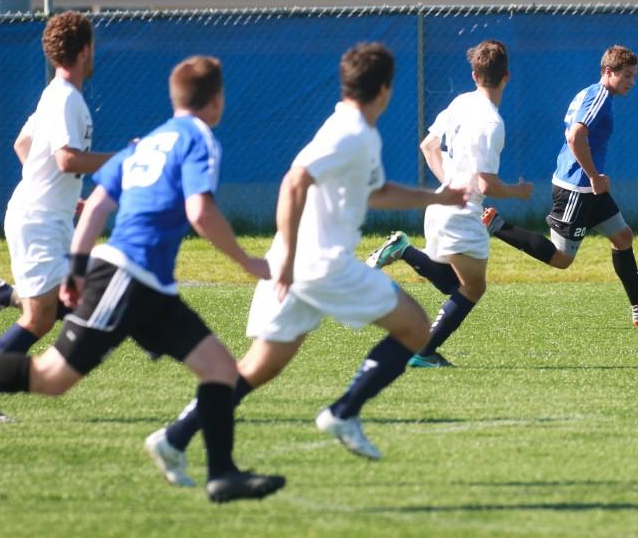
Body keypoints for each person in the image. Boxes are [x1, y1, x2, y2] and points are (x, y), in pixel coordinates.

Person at [0, 56, 284, 503]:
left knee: (220, 369)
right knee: (52, 378)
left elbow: (99, 205)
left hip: (150, 286)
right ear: (216, 100)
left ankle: (222, 474)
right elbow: (200, 211)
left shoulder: (149, 142)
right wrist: (248, 261)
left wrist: (79, 266)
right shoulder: (200, 139)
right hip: (126, 278)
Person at [143, 42, 468, 487]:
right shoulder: (351, 132)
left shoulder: (354, 130)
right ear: (386, 89)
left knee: (260, 366)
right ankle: (344, 412)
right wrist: (292, 257)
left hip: (298, 266)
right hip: (318, 264)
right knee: (414, 327)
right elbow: (295, 180)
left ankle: (174, 438)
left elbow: (375, 193)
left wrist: (436, 196)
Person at [0, 12, 115, 423]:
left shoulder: (54, 94)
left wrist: (64, 197)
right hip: (38, 222)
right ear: (84, 51)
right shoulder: (67, 98)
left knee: (70, 302)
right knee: (41, 316)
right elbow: (66, 159)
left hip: (43, 215)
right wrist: (123, 159)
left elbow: (22, 144)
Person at [480, 45, 638, 326]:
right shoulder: (599, 95)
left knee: (622, 236)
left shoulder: (592, 93)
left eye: (634, 76)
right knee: (562, 258)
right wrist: (594, 176)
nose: (632, 82)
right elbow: (575, 136)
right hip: (577, 187)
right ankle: (498, 226)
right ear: (609, 71)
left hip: (587, 187)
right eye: (627, 75)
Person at [366, 39, 531, 368]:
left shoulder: (460, 103)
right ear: (507, 76)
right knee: (473, 288)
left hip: (440, 206)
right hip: (461, 214)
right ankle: (422, 351)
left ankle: (404, 250)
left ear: (474, 75)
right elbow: (487, 185)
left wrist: (449, 185)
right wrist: (518, 191)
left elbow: (428, 146)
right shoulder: (491, 123)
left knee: (455, 285)